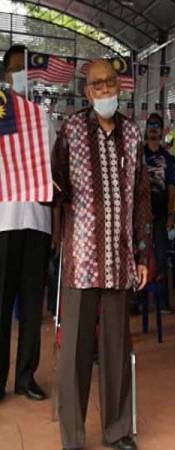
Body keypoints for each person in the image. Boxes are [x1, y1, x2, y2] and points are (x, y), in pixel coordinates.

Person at [52, 59, 152, 450]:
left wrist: (143, 254)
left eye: (111, 81)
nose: (105, 89)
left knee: (115, 350)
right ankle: (73, 438)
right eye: (98, 84)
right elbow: (56, 185)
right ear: (87, 91)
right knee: (74, 353)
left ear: (119, 86)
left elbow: (142, 196)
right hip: (81, 261)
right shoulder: (72, 130)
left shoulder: (131, 133)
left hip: (120, 258)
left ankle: (117, 431)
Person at [0, 44, 53, 403]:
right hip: (4, 221)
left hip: (37, 221)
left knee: (33, 305)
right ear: (5, 76)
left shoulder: (43, 119)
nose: (23, 76)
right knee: (2, 304)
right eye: (17, 69)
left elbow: (55, 170)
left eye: (27, 70)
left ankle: (26, 376)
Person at [144, 113, 175, 312]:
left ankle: (162, 302)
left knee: (162, 256)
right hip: (140, 217)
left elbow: (171, 188)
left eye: (157, 125)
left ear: (162, 129)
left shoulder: (168, 159)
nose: (153, 129)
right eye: (150, 125)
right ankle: (137, 301)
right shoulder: (138, 154)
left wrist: (171, 214)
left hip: (162, 215)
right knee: (139, 256)